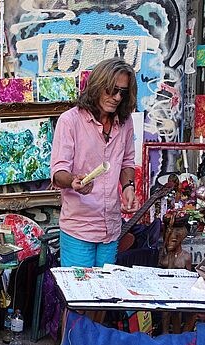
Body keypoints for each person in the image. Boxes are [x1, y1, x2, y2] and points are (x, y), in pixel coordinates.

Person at [50, 58, 140, 267]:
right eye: (111, 90)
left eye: (122, 92)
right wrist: (73, 181)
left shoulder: (125, 123)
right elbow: (58, 171)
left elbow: (127, 161)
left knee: (105, 294)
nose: (117, 97)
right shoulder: (69, 121)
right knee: (79, 296)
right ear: (98, 86)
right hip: (79, 228)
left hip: (111, 227)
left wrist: (128, 187)